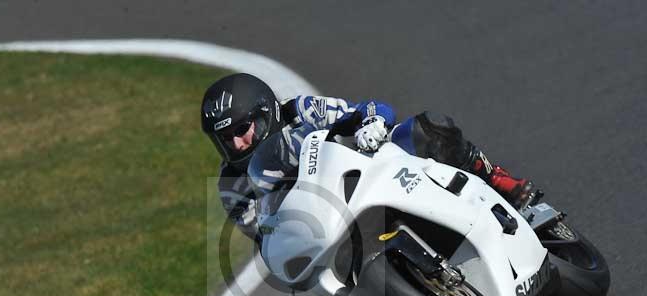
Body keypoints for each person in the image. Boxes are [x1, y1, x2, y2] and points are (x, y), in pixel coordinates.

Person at [201, 73, 536, 241]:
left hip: (368, 178)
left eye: (242, 128)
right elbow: (265, 238)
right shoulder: (231, 185)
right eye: (225, 138)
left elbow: (367, 109)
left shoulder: (300, 111)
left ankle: (499, 180)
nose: (237, 143)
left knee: (426, 128)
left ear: (265, 113)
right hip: (330, 232)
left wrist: (372, 124)